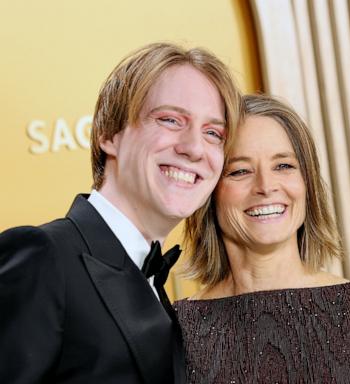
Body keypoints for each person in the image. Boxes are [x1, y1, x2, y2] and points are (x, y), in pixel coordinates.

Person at [0, 42, 241, 384]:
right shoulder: (43, 254)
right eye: (170, 120)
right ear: (109, 135)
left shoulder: (156, 286)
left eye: (213, 133)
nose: (194, 148)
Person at [174, 94, 350, 383]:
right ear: (209, 193)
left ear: (307, 182)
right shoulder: (174, 331)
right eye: (240, 171)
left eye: (283, 166)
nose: (266, 186)